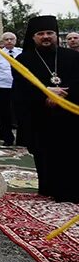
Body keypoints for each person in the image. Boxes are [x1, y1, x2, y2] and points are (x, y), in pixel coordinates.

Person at [12, 16, 79, 202]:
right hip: (40, 116)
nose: (46, 37)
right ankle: (49, 188)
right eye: (40, 34)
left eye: (50, 33)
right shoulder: (23, 60)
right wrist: (45, 93)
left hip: (69, 116)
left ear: (56, 35)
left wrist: (62, 95)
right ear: (33, 38)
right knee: (46, 154)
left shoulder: (73, 56)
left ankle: (73, 190)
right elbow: (21, 86)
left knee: (72, 153)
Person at [0, 32, 22, 146]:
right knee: (5, 114)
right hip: (3, 88)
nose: (9, 41)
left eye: (12, 39)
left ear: (15, 40)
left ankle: (22, 138)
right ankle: (8, 138)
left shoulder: (21, 53)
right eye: (6, 39)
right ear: (3, 42)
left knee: (20, 113)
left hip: (19, 88)